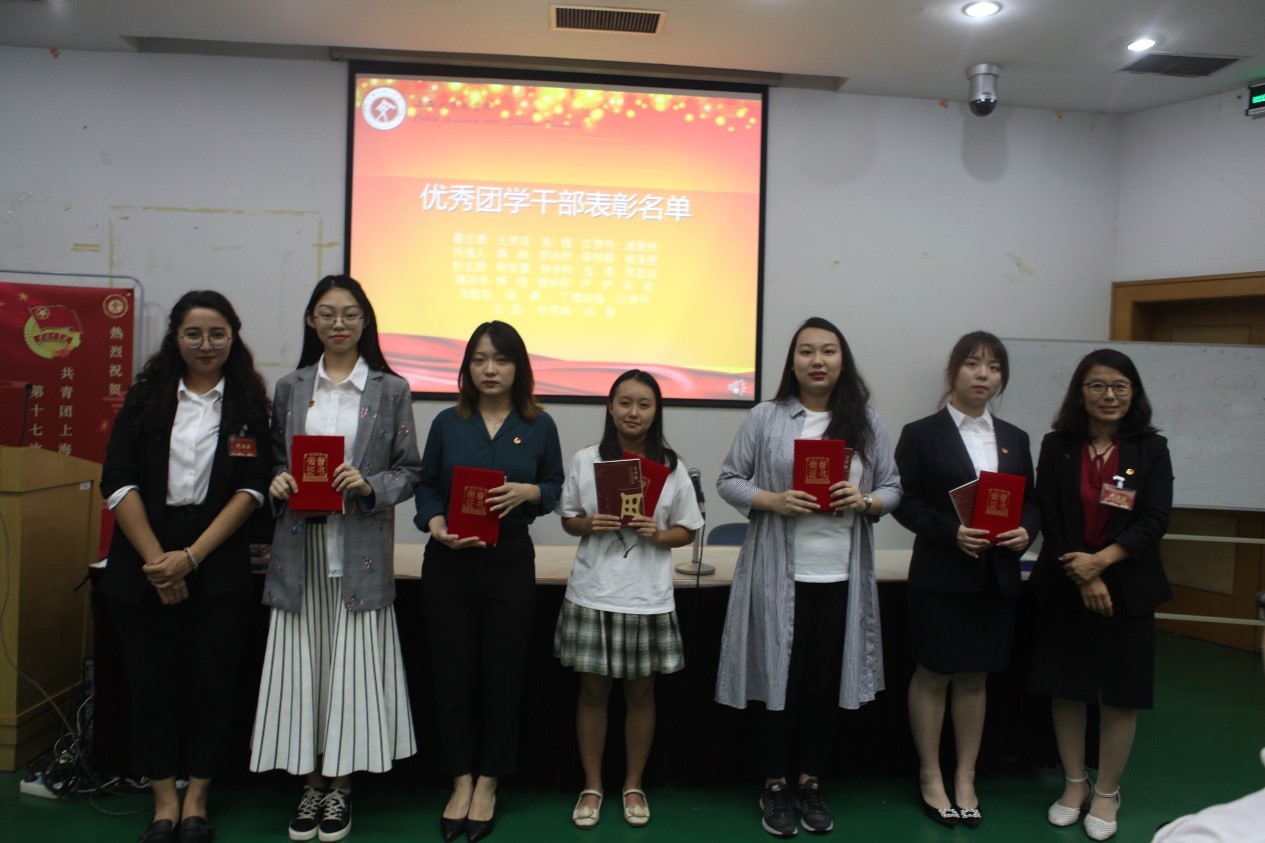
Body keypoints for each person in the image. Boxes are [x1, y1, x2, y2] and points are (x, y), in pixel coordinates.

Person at [715, 316, 902, 839]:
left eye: (828, 351)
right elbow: (729, 479)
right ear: (792, 362)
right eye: (806, 351)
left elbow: (893, 487)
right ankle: (774, 783)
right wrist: (773, 500)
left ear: (843, 361)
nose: (817, 360)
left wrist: (865, 500)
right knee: (778, 680)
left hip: (841, 576)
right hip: (778, 574)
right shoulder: (766, 416)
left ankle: (810, 782)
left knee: (823, 684)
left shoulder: (866, 422)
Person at [249, 275, 421, 843]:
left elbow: (410, 472)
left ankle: (340, 787)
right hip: (300, 552)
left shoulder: (391, 389)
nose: (338, 323)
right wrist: (277, 481)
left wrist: (369, 485)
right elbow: (275, 461)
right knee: (307, 670)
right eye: (327, 313)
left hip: (358, 554)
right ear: (311, 321)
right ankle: (310, 783)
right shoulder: (291, 387)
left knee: (348, 672)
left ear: (364, 320)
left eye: (349, 313)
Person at [100, 290, 270, 843]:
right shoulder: (146, 398)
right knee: (152, 686)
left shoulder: (249, 405)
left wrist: (191, 559)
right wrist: (160, 562)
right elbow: (117, 480)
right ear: (175, 337)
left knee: (210, 686)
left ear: (233, 336)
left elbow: (251, 489)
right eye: (193, 333)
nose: (205, 343)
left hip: (214, 557)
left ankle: (196, 798)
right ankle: (163, 802)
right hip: (145, 554)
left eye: (217, 333)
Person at [413, 321, 565, 843]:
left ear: (518, 366)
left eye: (500, 359)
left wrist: (529, 493)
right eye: (479, 359)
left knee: (503, 676)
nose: (490, 369)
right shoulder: (447, 422)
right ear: (467, 368)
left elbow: (555, 485)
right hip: (449, 562)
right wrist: (436, 524)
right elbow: (427, 486)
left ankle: (489, 782)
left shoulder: (539, 424)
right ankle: (459, 779)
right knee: (451, 675)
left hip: (509, 562)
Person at [892, 331, 1039, 829]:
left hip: (996, 578)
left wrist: (1027, 530)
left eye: (994, 367)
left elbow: (1032, 503)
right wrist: (950, 531)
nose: (983, 375)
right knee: (934, 674)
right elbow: (904, 501)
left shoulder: (1015, 437)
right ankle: (930, 774)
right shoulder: (921, 433)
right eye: (973, 364)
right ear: (953, 371)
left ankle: (966, 775)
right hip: (941, 575)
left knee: (976, 677)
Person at [1029, 348, 1173, 842]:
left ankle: (1108, 790)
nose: (1108, 395)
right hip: (1066, 584)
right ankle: (1075, 783)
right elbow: (1049, 513)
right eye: (1097, 386)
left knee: (1120, 694)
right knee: (1067, 689)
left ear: (1133, 393)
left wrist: (1103, 562)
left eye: (1119, 386)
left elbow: (1155, 518)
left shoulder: (1150, 449)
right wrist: (1085, 575)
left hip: (1128, 589)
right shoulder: (1058, 445)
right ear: (1080, 393)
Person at [554, 370, 704, 830]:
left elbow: (688, 529)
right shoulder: (586, 460)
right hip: (594, 592)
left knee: (641, 695)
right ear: (610, 407)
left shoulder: (671, 467)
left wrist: (658, 534)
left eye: (643, 404)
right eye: (624, 402)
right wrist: (589, 524)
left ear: (656, 411)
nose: (633, 412)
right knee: (592, 692)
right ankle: (592, 785)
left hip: (645, 596)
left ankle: (634, 784)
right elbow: (569, 519)